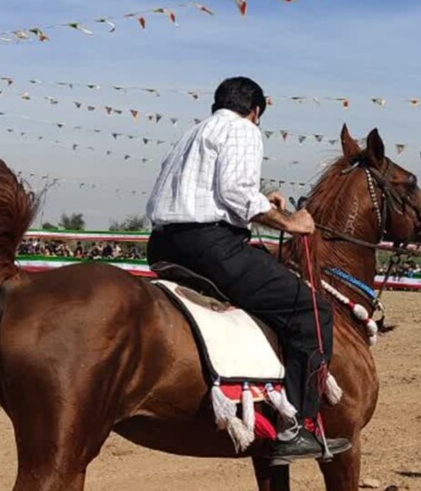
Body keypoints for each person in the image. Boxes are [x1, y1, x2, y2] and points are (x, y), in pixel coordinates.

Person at [145, 76, 349, 463]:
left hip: (163, 245)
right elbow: (235, 193)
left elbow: (215, 191)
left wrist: (263, 197)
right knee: (311, 310)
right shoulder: (244, 130)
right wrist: (290, 222)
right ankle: (298, 427)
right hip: (209, 246)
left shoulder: (193, 134)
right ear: (256, 111)